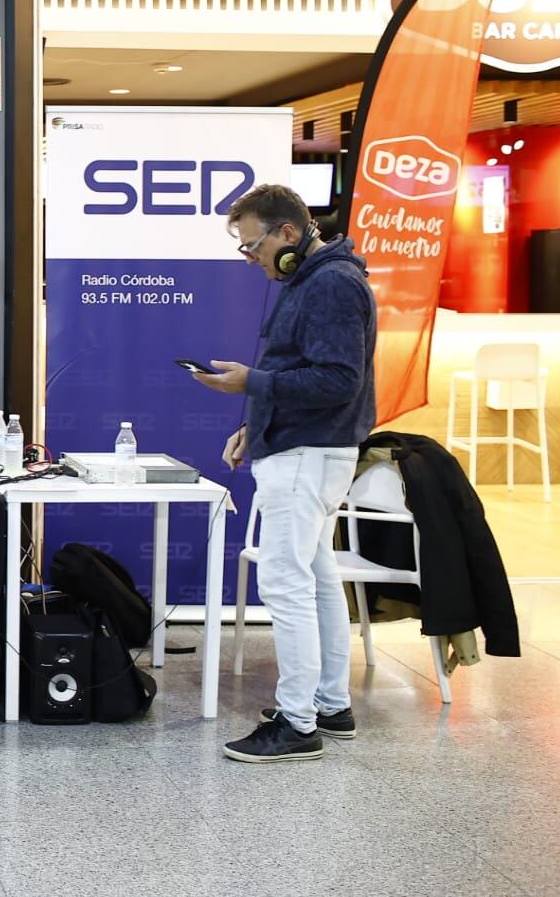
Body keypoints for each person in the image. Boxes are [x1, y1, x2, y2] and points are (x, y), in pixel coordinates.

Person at [191, 184, 376, 763]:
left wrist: (253, 384)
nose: (251, 259)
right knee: (316, 579)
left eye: (253, 247)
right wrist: (255, 423)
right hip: (296, 447)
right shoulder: (308, 282)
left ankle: (298, 724)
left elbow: (338, 381)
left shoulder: (333, 286)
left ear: (289, 234)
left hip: (308, 455)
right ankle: (328, 703)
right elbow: (296, 373)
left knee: (285, 584)